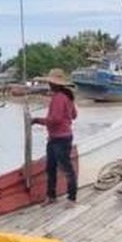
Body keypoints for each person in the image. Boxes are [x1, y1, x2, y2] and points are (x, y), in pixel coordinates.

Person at [31, 69, 78, 206]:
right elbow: (74, 115)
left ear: (54, 84)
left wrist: (37, 120)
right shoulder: (68, 96)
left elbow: (55, 120)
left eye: (50, 83)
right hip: (61, 137)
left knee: (63, 168)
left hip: (59, 139)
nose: (49, 85)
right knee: (53, 167)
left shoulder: (58, 98)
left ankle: (70, 198)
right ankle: (54, 196)